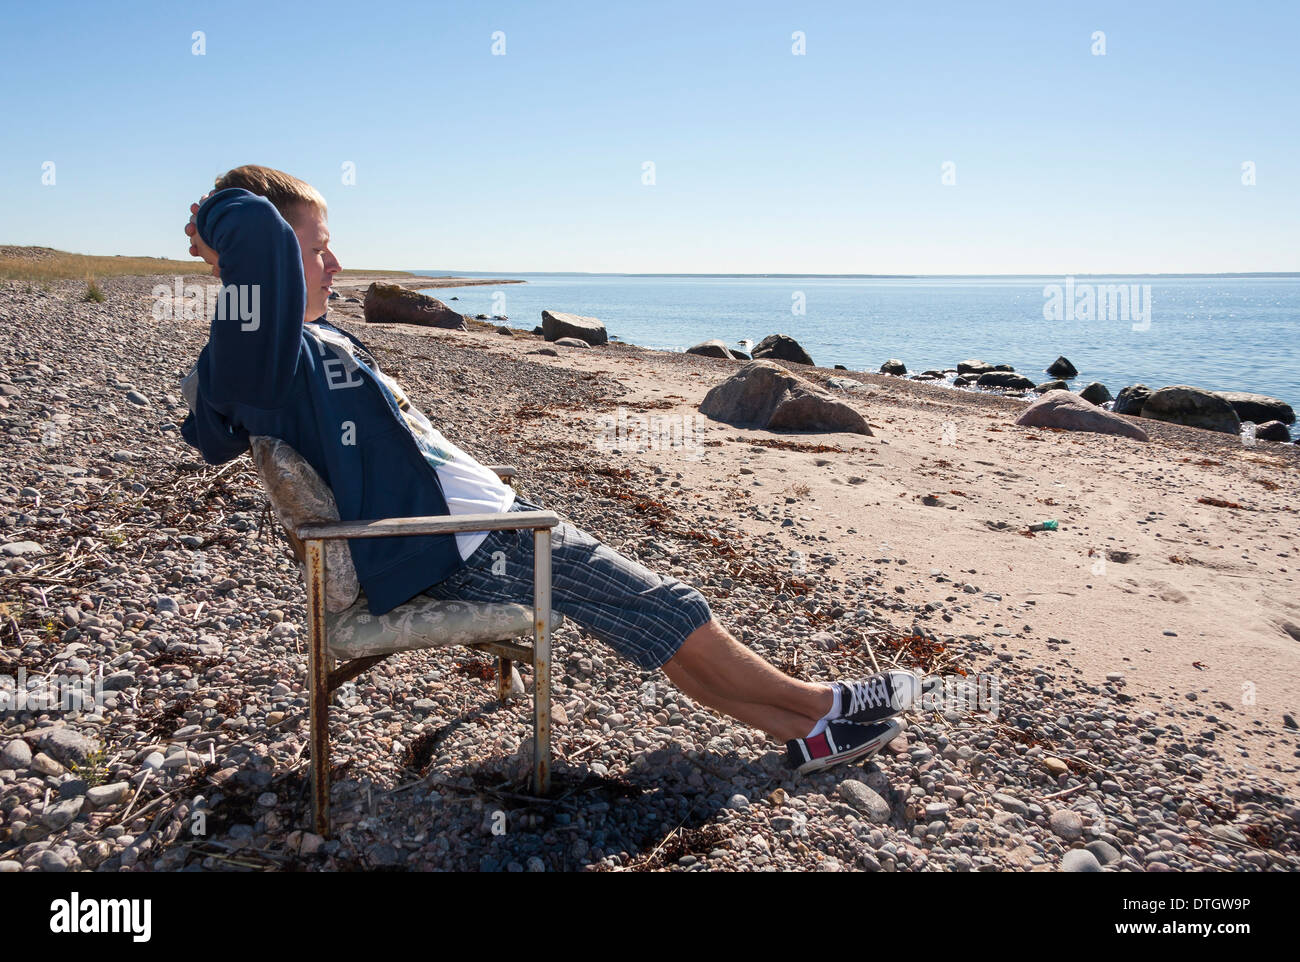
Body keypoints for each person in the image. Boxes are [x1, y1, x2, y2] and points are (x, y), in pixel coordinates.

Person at [180, 164, 921, 774]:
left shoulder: (312, 340)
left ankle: (801, 724)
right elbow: (246, 296)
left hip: (483, 528)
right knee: (668, 603)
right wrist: (223, 215)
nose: (336, 264)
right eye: (314, 248)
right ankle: (822, 707)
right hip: (471, 544)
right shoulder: (263, 361)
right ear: (266, 258)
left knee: (649, 618)